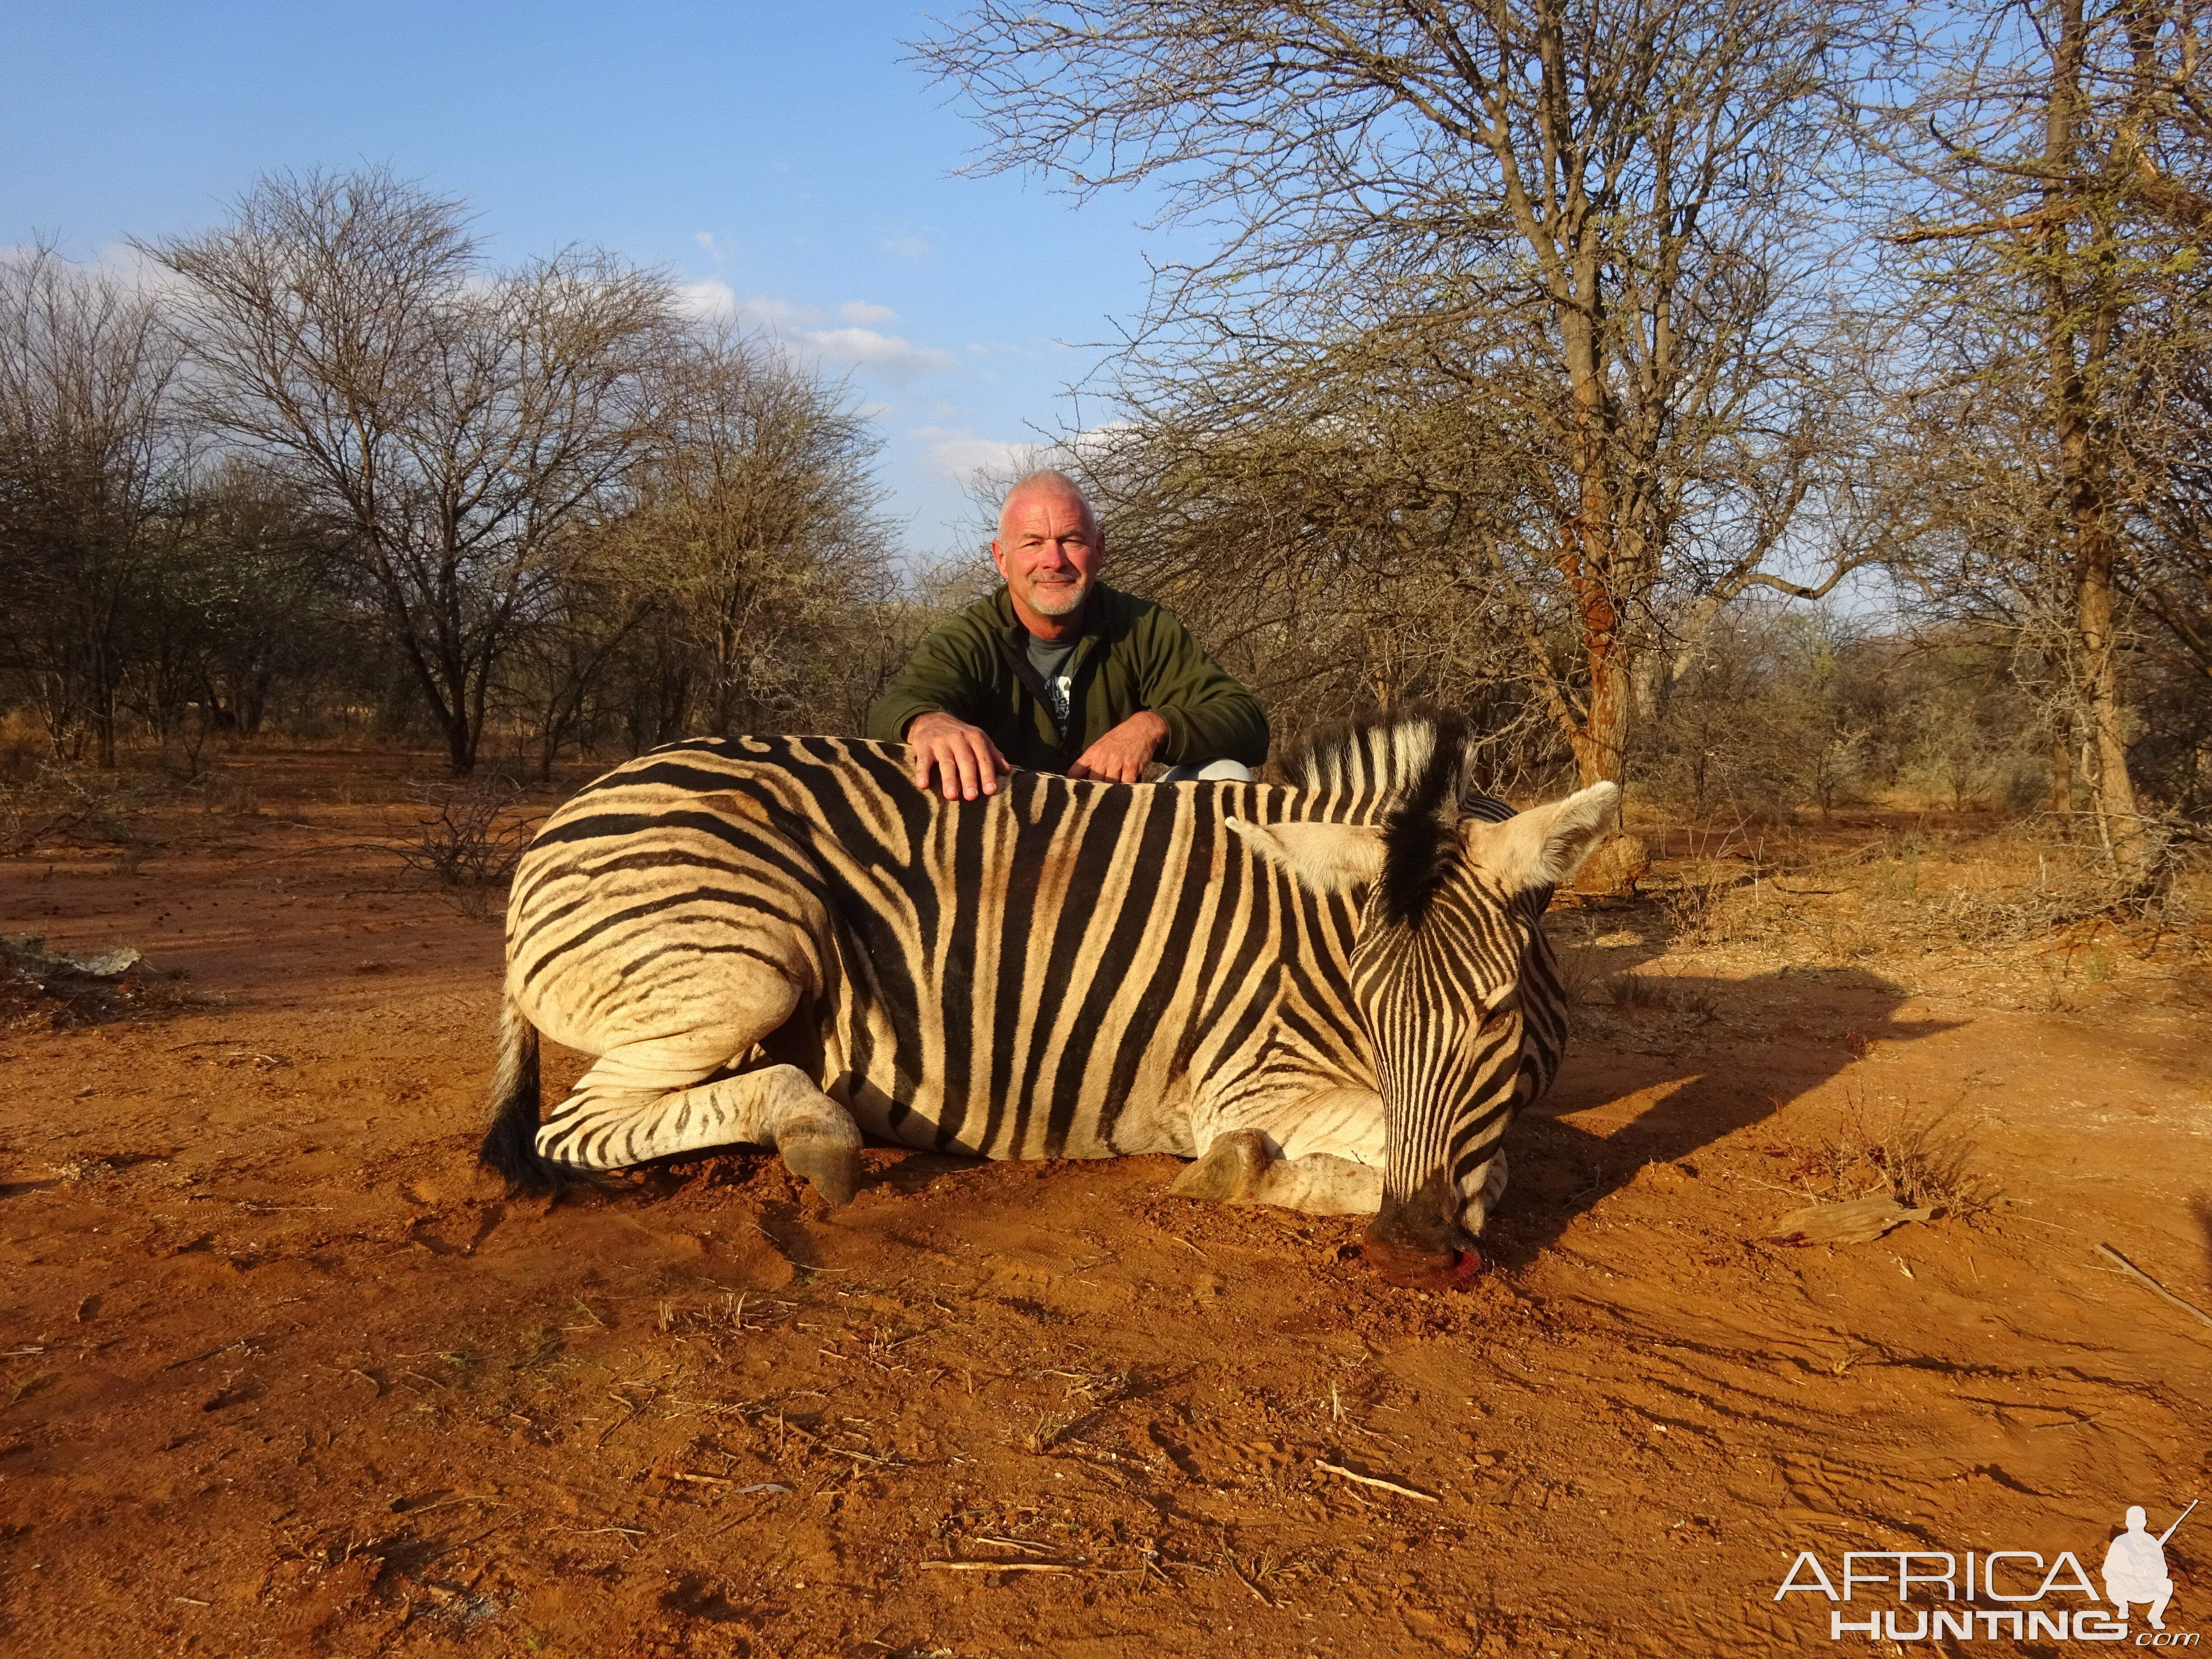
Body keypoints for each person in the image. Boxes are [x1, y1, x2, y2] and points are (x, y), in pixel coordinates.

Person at [867, 469, 1269, 799]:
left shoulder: (1142, 626)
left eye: (1071, 540)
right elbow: (898, 705)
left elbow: (1245, 722)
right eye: (1033, 543)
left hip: (1120, 829)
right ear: (1001, 559)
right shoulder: (971, 637)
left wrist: (1152, 727)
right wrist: (928, 723)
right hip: (1002, 826)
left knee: (1225, 772)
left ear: (1099, 550)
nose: (1053, 560)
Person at [2102, 1505, 2179, 1629]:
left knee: (2167, 1584)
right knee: (2112, 1583)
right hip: (2125, 1590)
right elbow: (2107, 1572)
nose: (2136, 1525)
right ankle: (2123, 1607)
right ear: (2128, 1523)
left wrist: (2150, 1568)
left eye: (2138, 1521)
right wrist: (2129, 1568)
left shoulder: (2152, 1542)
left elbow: (2163, 1572)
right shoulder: (2120, 1542)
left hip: (2147, 1588)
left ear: (2144, 1522)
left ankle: (2155, 1616)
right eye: (2133, 1521)